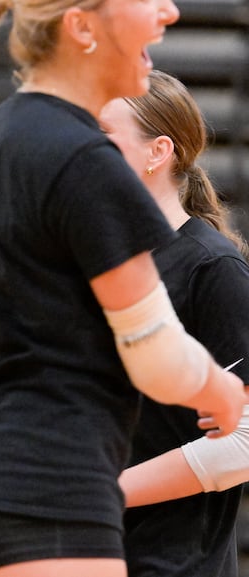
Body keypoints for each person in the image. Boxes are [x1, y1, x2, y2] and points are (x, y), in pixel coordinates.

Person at [0, 2, 246, 577]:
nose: (169, 9)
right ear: (81, 26)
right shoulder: (83, 156)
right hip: (46, 499)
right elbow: (154, 350)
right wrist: (220, 392)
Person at [98, 69, 249, 577]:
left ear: (157, 153)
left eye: (100, 139)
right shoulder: (88, 263)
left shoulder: (212, 267)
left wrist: (99, 496)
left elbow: (244, 443)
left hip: (174, 562)